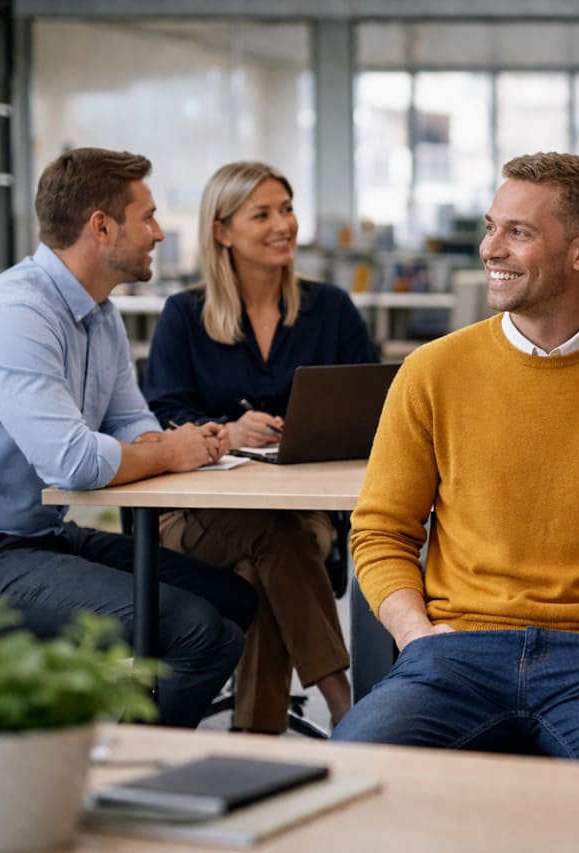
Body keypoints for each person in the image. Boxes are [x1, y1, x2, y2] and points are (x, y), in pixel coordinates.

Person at [331, 152, 579, 764]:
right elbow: (381, 530)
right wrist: (415, 635)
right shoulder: (431, 372)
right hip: (454, 650)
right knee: (350, 772)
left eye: (517, 232)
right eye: (492, 227)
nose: (491, 248)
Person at [0, 147, 256, 728]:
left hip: (31, 538)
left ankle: (123, 757)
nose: (159, 232)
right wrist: (170, 450)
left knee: (233, 600)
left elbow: (129, 422)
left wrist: (183, 443)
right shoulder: (15, 315)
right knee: (195, 631)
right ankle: (127, 778)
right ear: (101, 226)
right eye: (148, 216)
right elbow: (73, 463)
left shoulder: (99, 313)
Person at [144, 161, 377, 731]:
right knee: (274, 540)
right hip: (197, 516)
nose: (285, 225)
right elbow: (163, 410)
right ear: (222, 230)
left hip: (302, 508)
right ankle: (342, 698)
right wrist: (227, 431)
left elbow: (374, 403)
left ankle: (257, 741)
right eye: (264, 214)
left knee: (264, 561)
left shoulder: (331, 309)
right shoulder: (185, 315)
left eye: (288, 209)